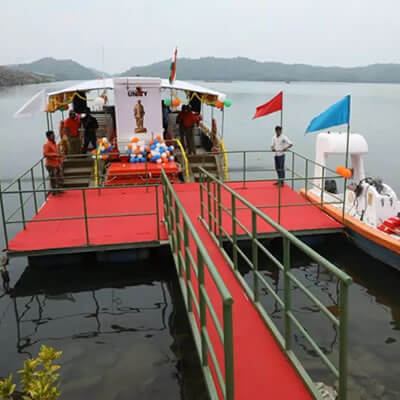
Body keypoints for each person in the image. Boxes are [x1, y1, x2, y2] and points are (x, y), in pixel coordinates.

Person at [43, 130, 64, 195]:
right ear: (48, 137)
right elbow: (45, 154)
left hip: (56, 163)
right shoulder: (47, 144)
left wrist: (60, 156)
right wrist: (55, 155)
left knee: (59, 176)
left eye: (54, 135)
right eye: (52, 135)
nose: (54, 136)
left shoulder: (53, 143)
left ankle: (59, 189)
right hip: (51, 164)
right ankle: (54, 192)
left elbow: (56, 152)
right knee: (53, 178)